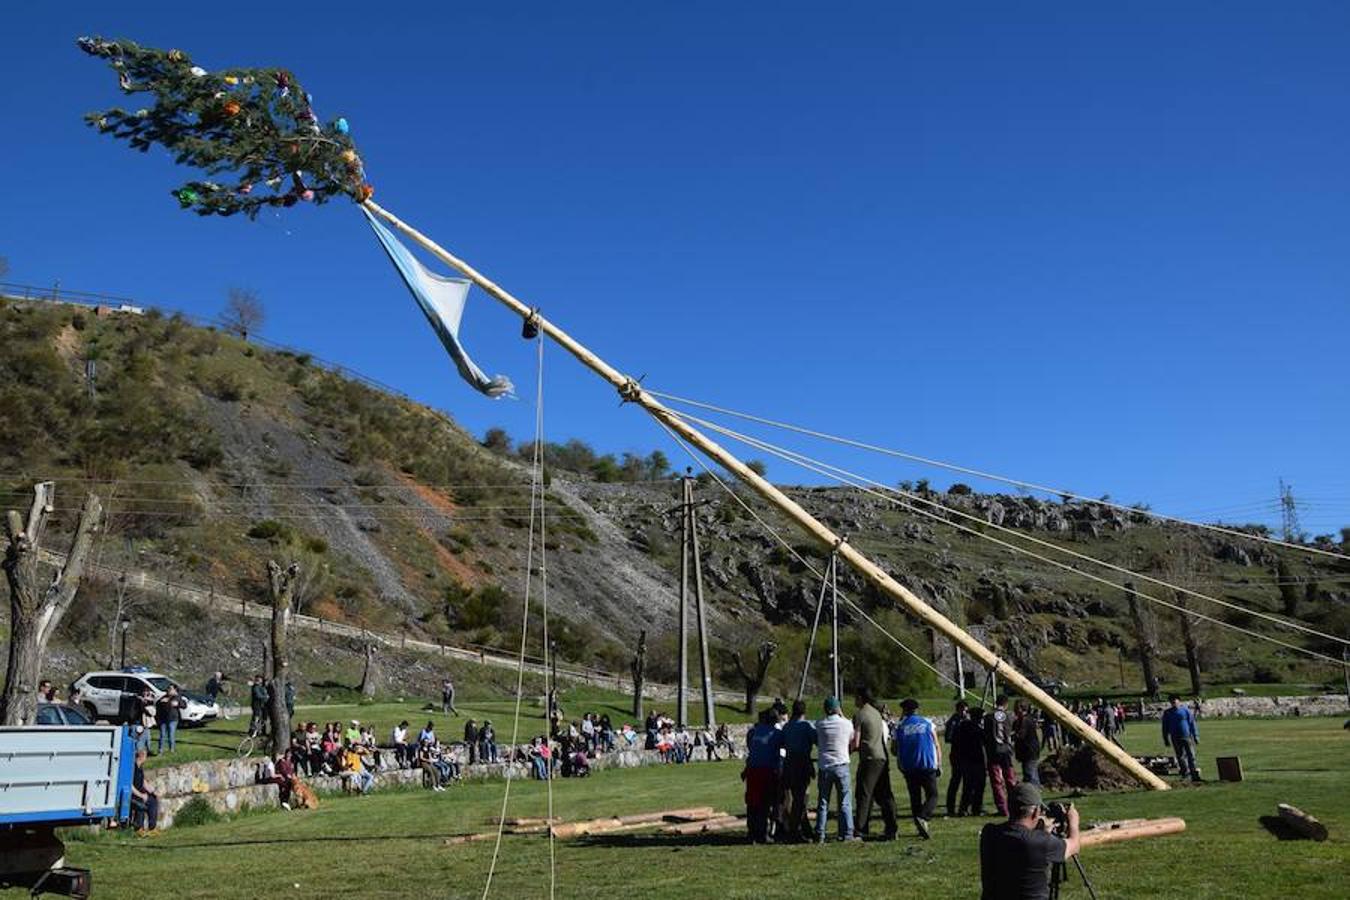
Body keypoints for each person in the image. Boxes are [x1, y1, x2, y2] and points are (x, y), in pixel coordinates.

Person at [979, 783, 1080, 900]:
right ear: (1036, 812)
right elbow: (1074, 845)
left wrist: (1042, 831)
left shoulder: (989, 833)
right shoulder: (1039, 842)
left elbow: (1017, 838)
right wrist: (1073, 821)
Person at [852, 686, 898, 840]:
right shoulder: (876, 713)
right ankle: (892, 828)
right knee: (884, 794)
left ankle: (860, 829)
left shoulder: (860, 714)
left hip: (869, 759)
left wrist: (846, 749)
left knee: (864, 795)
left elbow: (856, 742)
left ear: (860, 698)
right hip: (882, 757)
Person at [894, 698, 941, 839]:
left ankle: (919, 822)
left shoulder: (901, 726)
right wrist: (939, 763)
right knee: (932, 794)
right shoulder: (927, 723)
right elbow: (936, 744)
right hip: (927, 764)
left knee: (915, 797)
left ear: (905, 710)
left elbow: (895, 749)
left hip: (909, 766)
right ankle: (924, 817)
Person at [814, 696, 856, 843]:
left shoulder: (820, 724)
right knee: (844, 801)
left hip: (825, 766)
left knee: (823, 801)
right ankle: (846, 833)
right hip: (841, 765)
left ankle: (820, 833)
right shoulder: (846, 724)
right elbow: (852, 738)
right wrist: (842, 714)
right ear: (838, 709)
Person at [742, 708, 785, 843]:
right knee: (764, 803)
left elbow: (751, 749)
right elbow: (785, 747)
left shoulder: (753, 732)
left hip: (753, 769)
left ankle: (751, 833)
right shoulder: (777, 734)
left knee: (752, 803)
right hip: (767, 770)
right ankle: (762, 833)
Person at [780, 700, 817, 843]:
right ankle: (794, 831)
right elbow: (817, 741)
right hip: (802, 763)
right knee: (800, 799)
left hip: (789, 764)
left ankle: (805, 828)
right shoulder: (807, 726)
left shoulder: (787, 727)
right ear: (804, 712)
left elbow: (782, 743)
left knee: (797, 797)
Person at [984, 695, 1018, 817]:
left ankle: (1003, 808)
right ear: (1006, 704)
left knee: (997, 781)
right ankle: (1015, 806)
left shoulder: (988, 716)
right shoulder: (1010, 715)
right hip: (1006, 750)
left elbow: (986, 735)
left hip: (993, 751)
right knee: (1010, 780)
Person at [953, 707, 989, 816]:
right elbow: (985, 741)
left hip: (965, 760)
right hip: (977, 760)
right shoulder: (977, 729)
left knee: (967, 786)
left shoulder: (962, 727)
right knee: (979, 786)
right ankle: (976, 808)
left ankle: (963, 808)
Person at [1161, 694, 1202, 782]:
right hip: (1175, 737)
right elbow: (1165, 727)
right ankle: (1185, 773)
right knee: (1180, 756)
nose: (1173, 703)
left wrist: (1196, 736)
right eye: (1171, 701)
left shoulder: (1185, 711)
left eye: (1175, 701)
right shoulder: (1167, 713)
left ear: (1179, 701)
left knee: (1191, 755)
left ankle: (1194, 773)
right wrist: (1166, 739)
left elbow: (1192, 723)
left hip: (1186, 736)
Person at [129, 748, 159, 834]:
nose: (146, 758)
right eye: (146, 756)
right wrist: (141, 795)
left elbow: (143, 782)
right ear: (142, 756)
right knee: (140, 803)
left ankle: (152, 828)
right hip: (133, 795)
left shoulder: (140, 767)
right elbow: (130, 785)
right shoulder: (133, 767)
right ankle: (139, 828)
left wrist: (153, 791)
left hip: (141, 793)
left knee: (153, 801)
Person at [1013, 703, 1042, 786]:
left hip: (1029, 751)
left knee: (1030, 773)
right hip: (1027, 751)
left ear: (1022, 709)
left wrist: (1012, 736)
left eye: (1016, 708)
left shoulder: (1025, 720)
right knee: (1030, 771)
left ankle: (1033, 790)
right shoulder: (1024, 719)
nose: (1014, 710)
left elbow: (1021, 735)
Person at [155, 685, 185, 754]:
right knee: (162, 735)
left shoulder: (177, 697)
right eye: (168, 688)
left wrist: (177, 704)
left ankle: (172, 750)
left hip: (173, 719)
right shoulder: (164, 697)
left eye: (171, 689)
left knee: (171, 735)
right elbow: (157, 704)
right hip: (163, 719)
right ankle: (160, 750)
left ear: (174, 690)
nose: (169, 690)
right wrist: (161, 702)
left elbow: (184, 705)